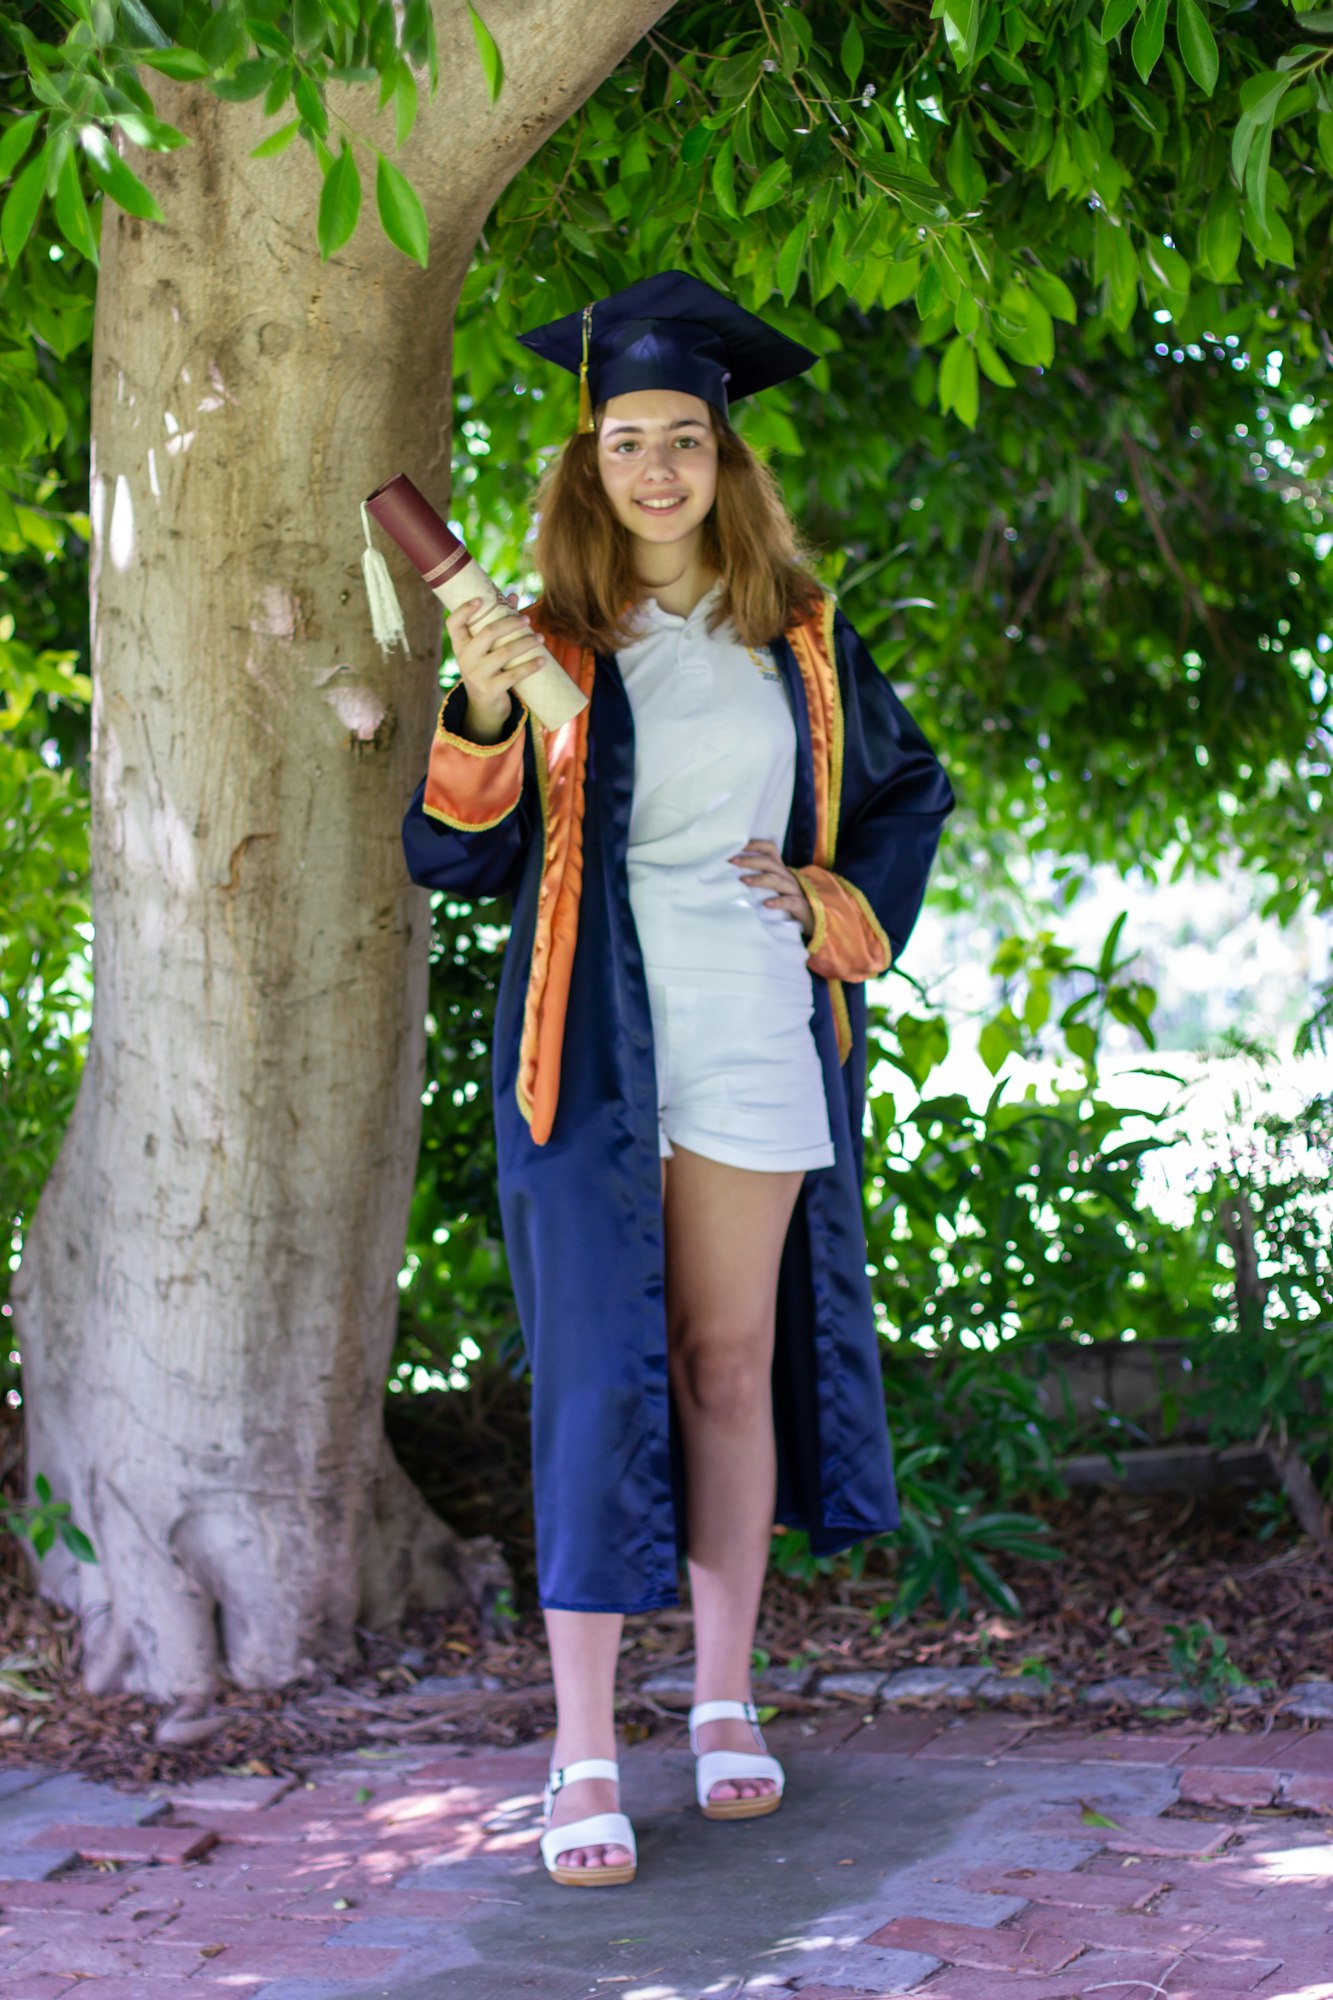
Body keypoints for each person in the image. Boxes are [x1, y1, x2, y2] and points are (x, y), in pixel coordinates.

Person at [401, 271, 954, 1888]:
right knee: (592, 1366)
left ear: (725, 457)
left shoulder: (805, 640)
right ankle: (581, 1744)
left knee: (722, 1361)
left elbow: (906, 800)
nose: (655, 466)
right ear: (587, 458)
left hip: (750, 1019)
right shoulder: (549, 639)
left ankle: (719, 1701)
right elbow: (457, 854)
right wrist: (487, 698)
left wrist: (825, 898)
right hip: (589, 1028)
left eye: (684, 438)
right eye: (625, 437)